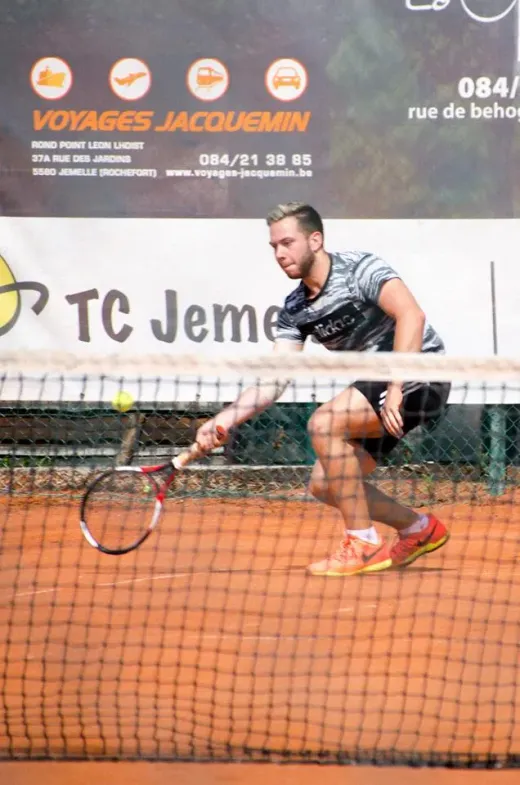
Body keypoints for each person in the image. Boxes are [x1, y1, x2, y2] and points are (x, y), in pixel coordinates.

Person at [196, 202, 450, 576]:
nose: (281, 254)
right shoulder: (295, 309)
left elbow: (412, 315)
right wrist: (224, 419)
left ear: (315, 240)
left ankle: (361, 542)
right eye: (274, 247)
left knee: (322, 423)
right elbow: (275, 380)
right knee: (324, 484)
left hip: (419, 372)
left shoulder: (358, 269)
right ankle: (419, 529)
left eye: (288, 242)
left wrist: (398, 383)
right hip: (375, 386)